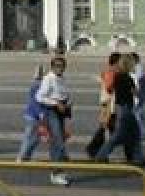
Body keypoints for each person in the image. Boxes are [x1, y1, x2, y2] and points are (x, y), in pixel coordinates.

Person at [24, 55, 73, 186]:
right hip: (51, 112)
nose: (60, 68)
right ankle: (57, 172)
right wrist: (56, 103)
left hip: (61, 111)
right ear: (52, 67)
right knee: (58, 141)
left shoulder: (62, 78)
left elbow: (65, 94)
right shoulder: (48, 79)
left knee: (57, 142)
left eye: (62, 66)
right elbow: (39, 97)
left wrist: (68, 102)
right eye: (57, 66)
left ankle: (57, 170)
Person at [93, 53, 143, 165]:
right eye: (133, 64)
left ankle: (139, 158)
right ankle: (101, 155)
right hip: (126, 109)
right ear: (128, 65)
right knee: (119, 136)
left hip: (120, 107)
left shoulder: (117, 76)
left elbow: (110, 88)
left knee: (135, 133)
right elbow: (136, 93)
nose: (134, 66)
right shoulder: (127, 78)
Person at [85, 53, 121, 159]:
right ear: (116, 62)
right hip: (109, 104)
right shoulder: (111, 73)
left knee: (106, 128)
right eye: (120, 62)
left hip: (108, 103)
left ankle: (95, 149)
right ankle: (97, 151)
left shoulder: (108, 71)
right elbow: (109, 88)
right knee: (110, 129)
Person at [130, 52, 145, 142]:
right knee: (143, 116)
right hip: (143, 95)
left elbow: (136, 82)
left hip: (137, 96)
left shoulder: (136, 69)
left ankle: (141, 133)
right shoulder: (142, 69)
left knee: (137, 116)